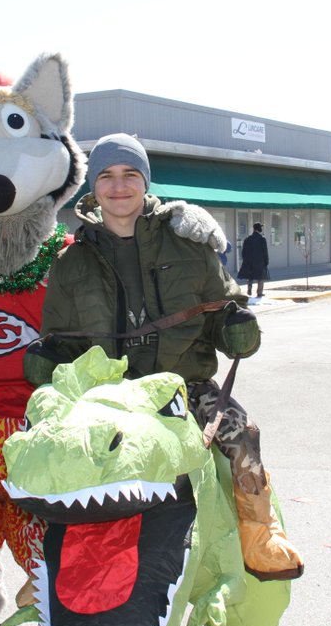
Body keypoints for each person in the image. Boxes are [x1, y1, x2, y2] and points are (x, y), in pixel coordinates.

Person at [24, 133, 304, 582]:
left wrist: (236, 330)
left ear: (145, 181)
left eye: (130, 175)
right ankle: (52, 569)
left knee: (243, 434)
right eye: (107, 177)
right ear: (93, 187)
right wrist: (48, 357)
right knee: (55, 456)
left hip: (184, 388)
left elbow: (223, 306)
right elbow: (60, 338)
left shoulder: (190, 243)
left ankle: (258, 530)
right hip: (107, 398)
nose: (119, 187)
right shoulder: (70, 263)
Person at [238, 222, 270, 299]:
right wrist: (266, 261)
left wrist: (245, 259)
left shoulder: (247, 239)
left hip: (249, 261)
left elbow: (243, 251)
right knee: (260, 277)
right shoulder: (262, 239)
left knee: (250, 276)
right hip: (260, 261)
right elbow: (265, 251)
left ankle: (249, 289)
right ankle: (259, 292)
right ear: (260, 229)